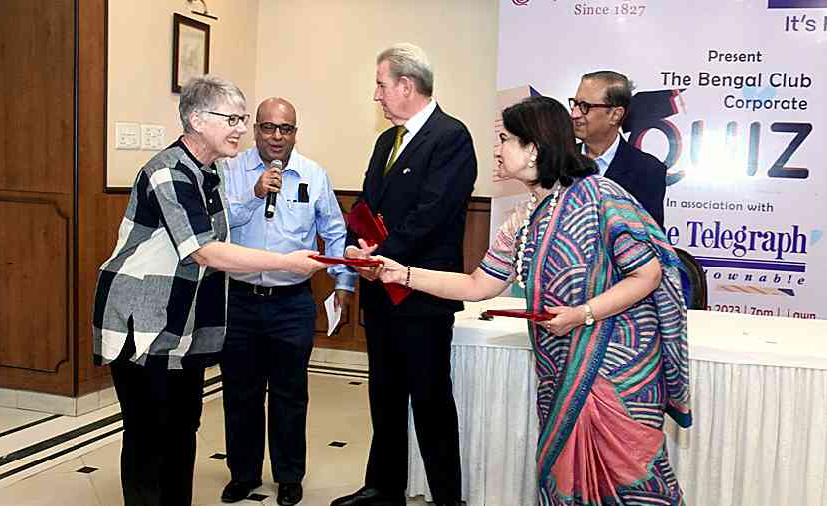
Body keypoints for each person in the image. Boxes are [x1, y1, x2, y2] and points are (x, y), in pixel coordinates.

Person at [366, 96, 691, 505]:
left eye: (505, 139)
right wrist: (403, 274)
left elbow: (649, 273)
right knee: (566, 477)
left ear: (533, 148)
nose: (497, 150)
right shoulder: (522, 219)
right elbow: (476, 285)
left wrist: (582, 314)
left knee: (634, 483)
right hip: (558, 367)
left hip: (617, 372)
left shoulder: (601, 198)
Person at [92, 76, 326, 506]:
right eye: (233, 119)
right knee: (149, 435)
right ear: (197, 120)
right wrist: (287, 262)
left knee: (183, 428)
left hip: (185, 322)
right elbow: (203, 250)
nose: (241, 128)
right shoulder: (167, 171)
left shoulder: (208, 170)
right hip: (143, 320)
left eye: (242, 118)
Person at [332, 43, 476, 506]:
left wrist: (382, 258)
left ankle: (445, 497)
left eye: (380, 84)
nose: (376, 96)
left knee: (431, 403)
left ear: (406, 85)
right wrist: (358, 246)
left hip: (422, 295)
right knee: (385, 396)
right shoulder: (385, 141)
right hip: (381, 293)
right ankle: (384, 486)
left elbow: (432, 214)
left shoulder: (451, 136)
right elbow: (367, 204)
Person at [217, 97, 355, 506]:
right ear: (255, 128)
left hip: (292, 301)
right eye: (268, 128)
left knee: (289, 394)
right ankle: (242, 474)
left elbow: (334, 232)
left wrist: (343, 284)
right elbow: (218, 222)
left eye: (286, 129)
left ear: (296, 132)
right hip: (239, 299)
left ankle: (289, 475)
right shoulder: (230, 169)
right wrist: (255, 194)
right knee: (240, 392)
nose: (277, 137)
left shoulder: (314, 174)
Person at [570, 70, 667, 228]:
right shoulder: (557, 161)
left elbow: (650, 242)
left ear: (615, 115)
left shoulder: (647, 171)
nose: (574, 114)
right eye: (574, 104)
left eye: (584, 106)